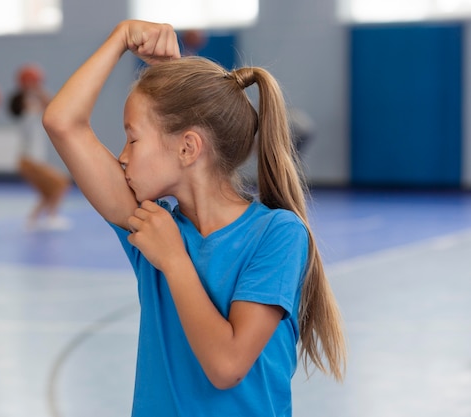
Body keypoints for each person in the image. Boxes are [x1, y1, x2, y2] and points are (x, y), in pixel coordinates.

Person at [42, 20, 346, 416]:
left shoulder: (277, 234)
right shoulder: (149, 223)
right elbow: (62, 122)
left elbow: (226, 366)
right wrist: (120, 38)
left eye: (132, 138)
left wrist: (174, 260)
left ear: (188, 148)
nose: (122, 156)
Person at [8, 64, 72, 231]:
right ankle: (52, 217)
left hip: (28, 161)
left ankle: (32, 219)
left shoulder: (29, 114)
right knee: (61, 182)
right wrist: (35, 88)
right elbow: (52, 105)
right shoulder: (28, 115)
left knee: (48, 191)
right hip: (30, 161)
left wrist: (33, 88)